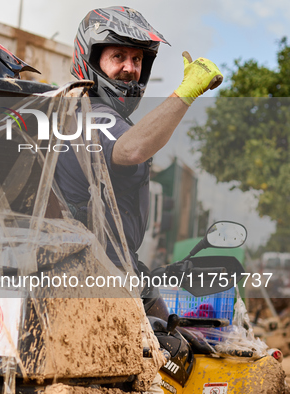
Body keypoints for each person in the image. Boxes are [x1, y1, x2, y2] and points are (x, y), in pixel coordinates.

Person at [55, 6, 223, 274]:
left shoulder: (81, 113)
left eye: (137, 59)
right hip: (90, 277)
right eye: (118, 56)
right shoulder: (92, 116)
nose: (129, 68)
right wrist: (186, 94)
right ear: (90, 58)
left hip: (109, 267)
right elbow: (131, 150)